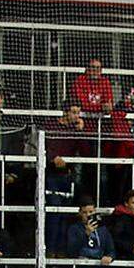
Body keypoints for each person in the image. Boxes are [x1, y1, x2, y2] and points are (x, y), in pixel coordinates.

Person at [43, 100, 91, 255]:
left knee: (65, 215)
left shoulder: (75, 129)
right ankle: (50, 249)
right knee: (53, 214)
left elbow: (86, 152)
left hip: (67, 177)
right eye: (74, 112)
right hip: (51, 176)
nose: (77, 116)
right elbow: (43, 145)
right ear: (65, 112)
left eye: (79, 113)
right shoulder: (51, 125)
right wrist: (53, 157)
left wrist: (82, 132)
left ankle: (62, 251)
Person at [66, 199, 114, 268]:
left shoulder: (103, 230)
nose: (88, 215)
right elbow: (71, 251)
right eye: (84, 212)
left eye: (91, 212)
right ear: (79, 213)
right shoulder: (74, 229)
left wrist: (109, 257)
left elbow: (111, 250)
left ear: (95, 212)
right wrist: (86, 234)